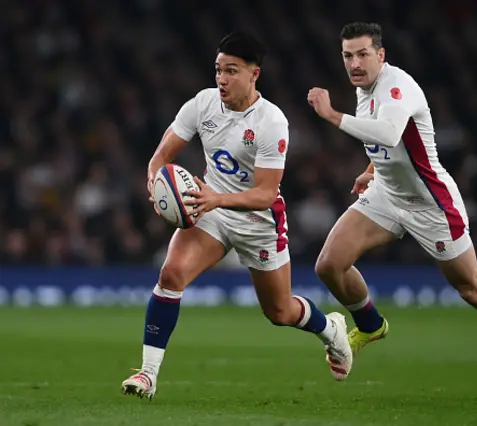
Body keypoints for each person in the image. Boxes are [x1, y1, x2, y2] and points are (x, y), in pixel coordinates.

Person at [307, 22, 477, 400]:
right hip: (387, 194)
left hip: (431, 204)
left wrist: (332, 115)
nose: (354, 63)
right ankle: (370, 326)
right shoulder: (365, 88)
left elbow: (388, 132)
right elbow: (392, 141)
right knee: (329, 264)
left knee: (471, 288)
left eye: (362, 54)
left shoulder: (397, 86)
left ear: (381, 54)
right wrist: (372, 170)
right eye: (347, 56)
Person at [122, 31, 352, 400]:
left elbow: (265, 193)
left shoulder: (271, 122)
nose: (222, 79)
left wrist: (217, 199)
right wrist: (156, 187)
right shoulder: (202, 104)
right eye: (218, 70)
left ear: (253, 74)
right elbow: (159, 158)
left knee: (279, 311)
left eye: (231, 70)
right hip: (209, 207)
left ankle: (331, 330)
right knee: (171, 273)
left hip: (259, 221)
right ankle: (147, 375)